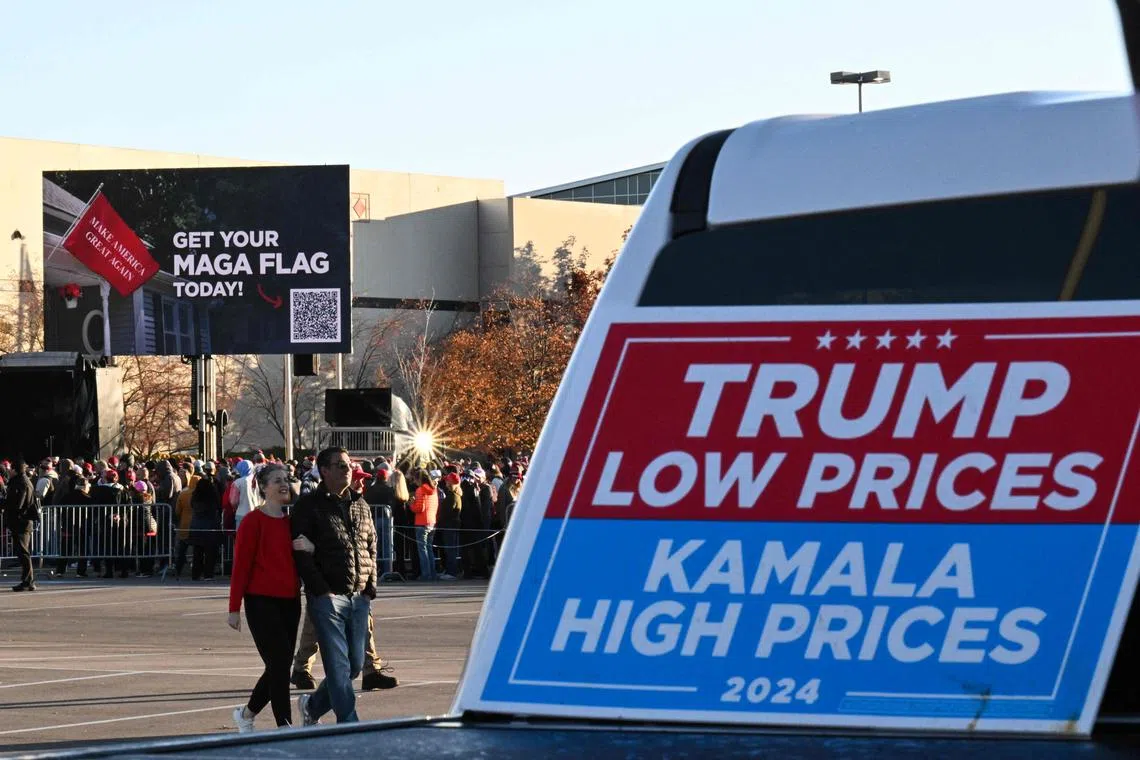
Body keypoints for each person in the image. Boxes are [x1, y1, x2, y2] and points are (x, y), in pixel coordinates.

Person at [291, 447, 378, 725]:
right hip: (327, 598)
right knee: (339, 667)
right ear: (324, 471)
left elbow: (371, 547)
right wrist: (320, 589)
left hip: (358, 596)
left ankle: (313, 707)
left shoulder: (360, 504)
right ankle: (349, 725)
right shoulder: (309, 505)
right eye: (339, 465)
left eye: (348, 464)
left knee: (353, 664)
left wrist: (369, 588)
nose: (347, 469)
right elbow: (301, 551)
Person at [228, 463, 314, 731]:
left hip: (290, 600)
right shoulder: (253, 522)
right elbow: (240, 566)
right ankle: (284, 726)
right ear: (263, 487)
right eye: (276, 480)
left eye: (286, 479)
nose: (283, 484)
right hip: (260, 601)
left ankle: (247, 713)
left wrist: (311, 548)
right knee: (278, 663)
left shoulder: (292, 523)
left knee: (280, 665)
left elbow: (309, 558)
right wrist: (234, 608)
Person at [4, 461, 37, 591]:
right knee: (22, 552)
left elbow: (18, 503)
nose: (9, 471)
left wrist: (4, 504)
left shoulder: (21, 483)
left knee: (23, 552)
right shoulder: (23, 481)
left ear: (15, 470)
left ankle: (28, 580)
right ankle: (27, 580)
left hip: (21, 521)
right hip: (21, 520)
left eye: (11, 469)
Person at [189, 462, 223, 581]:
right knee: (210, 550)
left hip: (197, 523)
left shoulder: (198, 491)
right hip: (211, 522)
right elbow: (219, 503)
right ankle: (208, 573)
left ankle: (196, 573)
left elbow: (192, 503)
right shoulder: (214, 487)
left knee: (197, 550)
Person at [410, 471, 439, 581]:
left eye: (415, 479)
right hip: (432, 521)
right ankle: (432, 573)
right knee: (429, 549)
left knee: (423, 550)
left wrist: (411, 504)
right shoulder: (434, 490)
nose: (414, 482)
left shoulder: (420, 490)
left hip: (421, 522)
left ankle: (426, 574)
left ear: (419, 479)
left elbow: (419, 509)